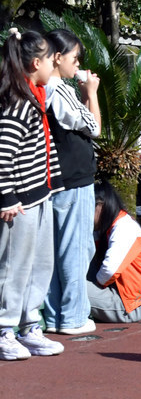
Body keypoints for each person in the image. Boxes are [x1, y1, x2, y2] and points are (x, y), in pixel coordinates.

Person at [0, 28, 65, 360]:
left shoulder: (33, 96)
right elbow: (3, 153)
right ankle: (4, 328)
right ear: (36, 62)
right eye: (50, 60)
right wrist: (7, 196)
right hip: (20, 201)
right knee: (15, 265)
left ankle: (29, 325)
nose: (55, 66)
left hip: (39, 195)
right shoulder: (18, 100)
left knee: (41, 263)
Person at [42, 28, 101, 335]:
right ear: (57, 58)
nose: (78, 65)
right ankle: (73, 316)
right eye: (75, 58)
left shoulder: (40, 87)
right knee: (76, 249)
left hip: (53, 177)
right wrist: (90, 93)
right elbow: (93, 126)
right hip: (74, 178)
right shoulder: (58, 87)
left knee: (54, 251)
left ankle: (54, 315)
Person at [88, 180, 141, 323]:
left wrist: (90, 287)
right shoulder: (110, 226)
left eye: (88, 208)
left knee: (69, 286)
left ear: (101, 206)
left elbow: (108, 272)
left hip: (130, 306)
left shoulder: (124, 227)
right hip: (124, 297)